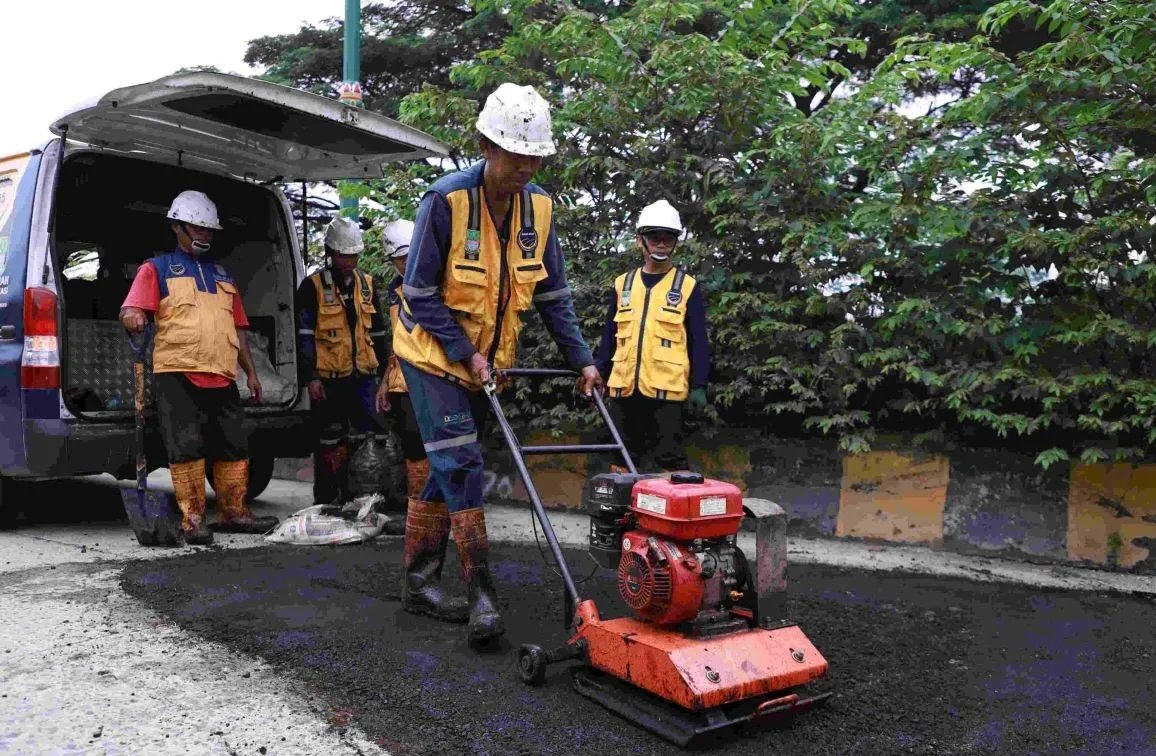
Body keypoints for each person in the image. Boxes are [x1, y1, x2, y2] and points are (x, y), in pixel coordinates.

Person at [392, 83, 602, 645]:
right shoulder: (446, 201)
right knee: (460, 464)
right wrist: (467, 354)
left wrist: (581, 361)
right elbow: (419, 294)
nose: (525, 168)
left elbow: (553, 297)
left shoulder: (540, 208)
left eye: (535, 157)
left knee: (448, 465)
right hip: (432, 356)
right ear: (487, 146)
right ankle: (482, 592)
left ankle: (418, 583)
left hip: (488, 364)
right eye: (515, 155)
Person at [120, 190, 279, 545]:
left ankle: (234, 512)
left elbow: (237, 329)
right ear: (177, 227)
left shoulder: (223, 274)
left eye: (210, 230)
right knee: (187, 446)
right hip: (177, 372)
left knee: (234, 445)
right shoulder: (156, 269)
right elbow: (132, 309)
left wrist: (250, 373)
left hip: (222, 373)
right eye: (198, 227)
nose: (205, 235)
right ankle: (193, 519)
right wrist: (132, 317)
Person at [595, 200, 710, 472]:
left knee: (670, 459)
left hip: (666, 392)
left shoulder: (687, 286)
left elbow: (698, 342)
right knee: (621, 458)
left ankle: (670, 513)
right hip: (624, 389)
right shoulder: (622, 284)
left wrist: (699, 385)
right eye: (654, 238)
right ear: (640, 241)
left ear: (675, 243)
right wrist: (600, 371)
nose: (661, 244)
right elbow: (610, 335)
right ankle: (618, 514)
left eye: (667, 238)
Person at [295, 217, 390, 507]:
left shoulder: (369, 285)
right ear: (331, 253)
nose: (349, 261)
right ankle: (327, 501)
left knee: (370, 436)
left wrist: (386, 376)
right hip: (328, 378)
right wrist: (310, 377)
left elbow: (379, 333)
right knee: (329, 440)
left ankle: (365, 499)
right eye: (343, 255)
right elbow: (304, 336)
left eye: (354, 255)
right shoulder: (311, 287)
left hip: (364, 377)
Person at [373, 219, 430, 505]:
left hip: (431, 380)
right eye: (398, 260)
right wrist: (385, 382)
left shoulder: (436, 285)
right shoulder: (394, 292)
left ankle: (436, 506)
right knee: (411, 445)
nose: (404, 265)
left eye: (408, 257)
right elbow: (396, 343)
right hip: (402, 383)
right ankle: (418, 507)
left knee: (431, 444)